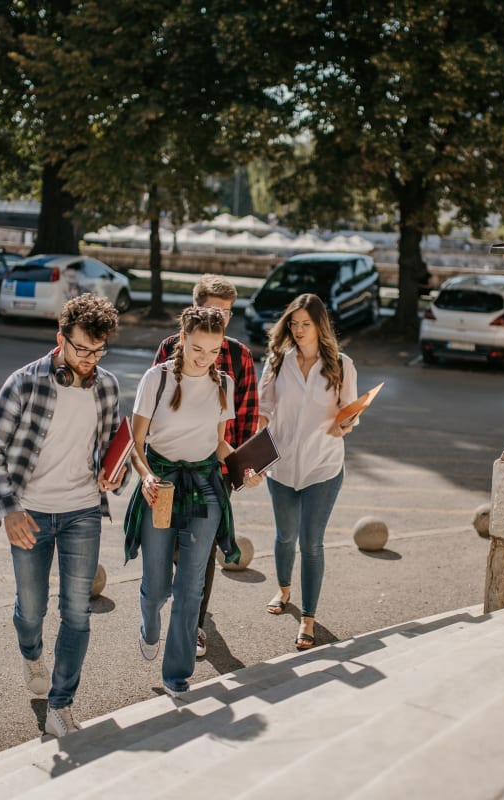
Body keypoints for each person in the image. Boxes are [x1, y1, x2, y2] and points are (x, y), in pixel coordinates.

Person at [0, 294, 128, 737]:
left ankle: (61, 704)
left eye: (98, 351)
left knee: (77, 613)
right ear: (60, 338)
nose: (88, 360)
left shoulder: (107, 386)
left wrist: (113, 478)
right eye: (81, 349)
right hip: (29, 513)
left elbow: (109, 453)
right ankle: (31, 652)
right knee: (31, 609)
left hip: (82, 511)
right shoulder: (25, 383)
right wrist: (8, 509)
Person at [125, 306, 262, 698]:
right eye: (198, 349)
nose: (205, 358)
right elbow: (136, 444)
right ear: (182, 339)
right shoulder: (157, 378)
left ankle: (177, 677)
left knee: (190, 588)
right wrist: (147, 475)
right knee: (155, 587)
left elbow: (219, 444)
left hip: (204, 487)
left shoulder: (225, 384)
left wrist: (244, 468)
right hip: (161, 485)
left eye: (214, 351)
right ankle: (149, 623)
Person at [152, 275, 259, 658]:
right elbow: (152, 412)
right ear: (195, 310)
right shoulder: (168, 349)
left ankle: (194, 624)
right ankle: (170, 605)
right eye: (215, 310)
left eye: (228, 312)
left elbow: (246, 419)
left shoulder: (240, 356)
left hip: (215, 468)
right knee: (170, 547)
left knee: (203, 547)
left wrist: (240, 471)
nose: (223, 318)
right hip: (167, 468)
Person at [258, 293, 358, 651]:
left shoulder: (342, 365)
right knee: (285, 536)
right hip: (281, 465)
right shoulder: (276, 362)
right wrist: (253, 447)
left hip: (324, 466)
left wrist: (345, 424)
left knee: (311, 542)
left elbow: (350, 411)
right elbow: (264, 409)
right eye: (294, 324)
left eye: (306, 324)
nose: (299, 331)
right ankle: (284, 589)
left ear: (320, 326)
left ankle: (308, 617)